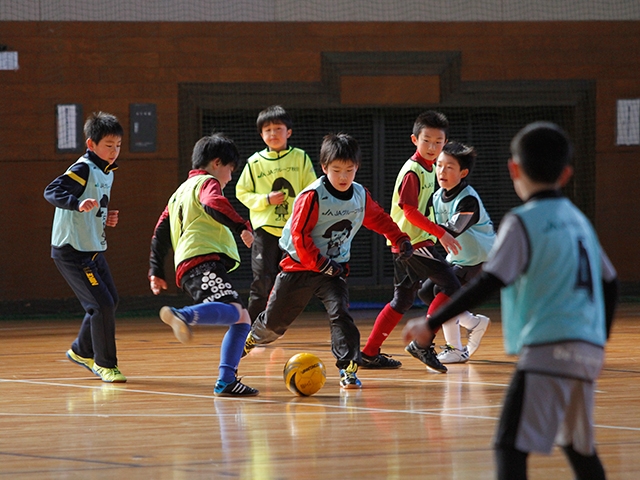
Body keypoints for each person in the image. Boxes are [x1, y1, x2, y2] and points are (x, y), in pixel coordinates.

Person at [403, 122, 618, 480]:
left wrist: (429, 324)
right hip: (588, 350)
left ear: (513, 169)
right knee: (578, 447)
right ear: (566, 174)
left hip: (548, 349)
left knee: (508, 445)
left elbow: (491, 281)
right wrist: (599, 338)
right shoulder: (578, 220)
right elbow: (610, 283)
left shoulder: (523, 220)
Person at [243, 133, 413, 389]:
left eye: (349, 170)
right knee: (273, 325)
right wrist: (320, 263)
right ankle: (246, 342)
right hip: (298, 268)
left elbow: (379, 218)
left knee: (341, 316)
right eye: (336, 170)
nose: (343, 176)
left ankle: (348, 369)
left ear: (357, 168)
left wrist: (399, 239)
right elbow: (299, 236)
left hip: (333, 271)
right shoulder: (311, 196)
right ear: (324, 168)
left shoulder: (359, 195)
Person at [148, 133, 259, 397]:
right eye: (230, 170)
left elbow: (160, 232)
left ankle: (227, 380)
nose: (230, 178)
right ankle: (183, 315)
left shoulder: (178, 194)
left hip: (188, 264)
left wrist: (155, 269)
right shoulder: (207, 183)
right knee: (234, 310)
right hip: (203, 259)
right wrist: (241, 225)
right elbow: (214, 203)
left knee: (243, 318)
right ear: (217, 163)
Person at [360, 110, 462, 373]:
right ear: (414, 140)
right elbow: (409, 212)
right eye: (426, 140)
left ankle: (369, 353)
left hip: (407, 245)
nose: (432, 147)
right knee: (452, 285)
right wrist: (440, 233)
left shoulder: (430, 168)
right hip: (413, 243)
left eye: (438, 142)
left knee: (402, 300)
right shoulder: (413, 171)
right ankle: (422, 342)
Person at [44, 111, 126, 383]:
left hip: (92, 247)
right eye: (108, 145)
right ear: (91, 145)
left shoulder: (106, 172)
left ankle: (81, 350)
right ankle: (105, 364)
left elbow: (95, 204)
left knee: (109, 301)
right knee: (100, 304)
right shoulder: (83, 168)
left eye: (118, 145)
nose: (114, 151)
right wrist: (76, 203)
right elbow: (52, 190)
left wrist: (105, 216)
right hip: (72, 250)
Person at [236, 105, 317, 321]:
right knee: (261, 279)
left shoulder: (300, 158)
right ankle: (249, 327)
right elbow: (241, 192)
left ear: (288, 132)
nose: (273, 134)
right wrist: (265, 200)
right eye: (267, 130)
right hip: (264, 230)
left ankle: (273, 324)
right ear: (261, 134)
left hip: (293, 231)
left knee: (289, 280)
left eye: (278, 128)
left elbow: (312, 190)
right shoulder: (254, 162)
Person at [427, 141, 495, 364]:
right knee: (427, 292)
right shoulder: (437, 197)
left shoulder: (468, 200)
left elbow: (452, 230)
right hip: (458, 258)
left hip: (478, 259)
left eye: (449, 167)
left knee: (445, 297)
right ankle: (474, 323)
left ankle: (455, 349)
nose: (441, 171)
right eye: (439, 165)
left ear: (463, 172)